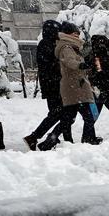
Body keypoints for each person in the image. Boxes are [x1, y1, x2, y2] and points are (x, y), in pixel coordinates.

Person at [38, 22, 100, 150]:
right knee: (86, 116)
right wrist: (81, 65)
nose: (77, 35)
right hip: (74, 87)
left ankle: (50, 141)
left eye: (78, 33)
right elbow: (70, 62)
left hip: (74, 86)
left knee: (68, 117)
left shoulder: (71, 47)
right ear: (67, 34)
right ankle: (88, 140)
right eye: (74, 33)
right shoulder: (66, 47)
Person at [24, 20, 73, 150]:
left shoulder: (47, 44)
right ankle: (36, 137)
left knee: (59, 114)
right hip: (54, 85)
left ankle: (39, 138)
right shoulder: (48, 45)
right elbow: (53, 65)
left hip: (52, 84)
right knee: (61, 114)